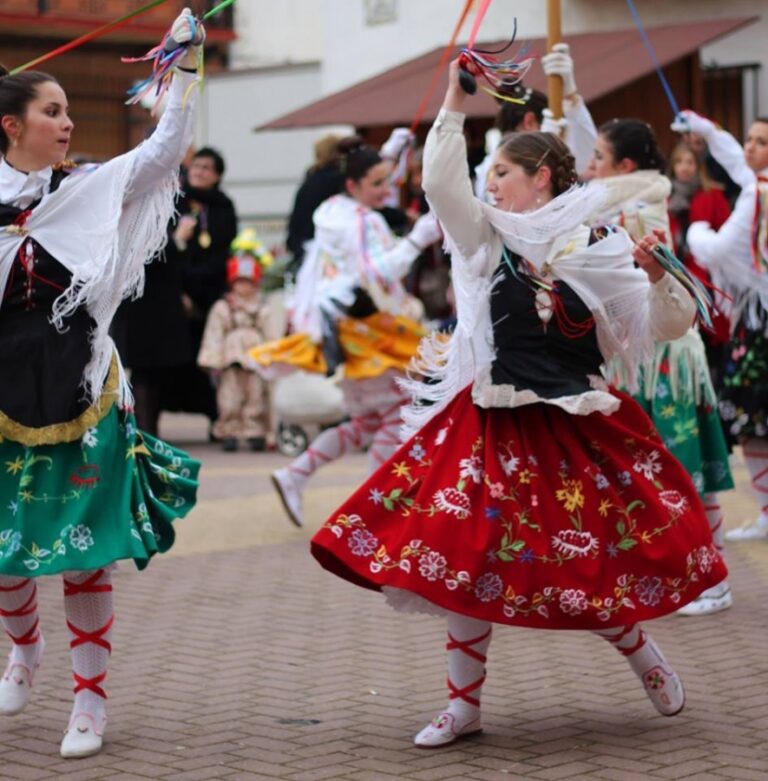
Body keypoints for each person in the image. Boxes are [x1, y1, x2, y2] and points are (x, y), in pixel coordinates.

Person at [309, 60, 726, 748]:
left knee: (583, 562)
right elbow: (442, 182)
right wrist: (451, 98)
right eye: (490, 170)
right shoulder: (487, 239)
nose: (490, 180)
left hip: (575, 423)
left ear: (543, 177)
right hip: (493, 421)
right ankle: (462, 705)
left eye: (502, 170)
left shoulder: (600, 244)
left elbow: (658, 327)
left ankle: (642, 654)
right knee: (469, 558)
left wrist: (659, 279)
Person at [0, 9, 202, 758]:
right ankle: (24, 649)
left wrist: (180, 71)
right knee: (5, 546)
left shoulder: (84, 189)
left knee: (84, 553)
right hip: (2, 397)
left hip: (80, 389)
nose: (66, 120)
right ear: (9, 124)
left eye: (66, 109)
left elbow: (162, 151)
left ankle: (89, 704)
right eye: (50, 110)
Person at [250, 134, 441, 527]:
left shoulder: (334, 209)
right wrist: (419, 238)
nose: (385, 190)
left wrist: (388, 151)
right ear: (354, 185)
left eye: (387, 181)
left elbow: (365, 176)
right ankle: (374, 511)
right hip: (369, 332)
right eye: (378, 184)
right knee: (395, 415)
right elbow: (376, 272)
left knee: (366, 423)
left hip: (350, 329)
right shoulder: (360, 219)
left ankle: (297, 474)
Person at [587, 118, 734, 616]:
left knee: (682, 470)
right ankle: (660, 573)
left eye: (597, 159)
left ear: (624, 167)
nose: (588, 169)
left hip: (665, 358)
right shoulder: (623, 197)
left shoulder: (633, 204)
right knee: (645, 475)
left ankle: (712, 578)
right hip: (641, 357)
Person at [675, 111, 768, 542]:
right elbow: (734, 160)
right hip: (757, 317)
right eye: (750, 139)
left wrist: (695, 232)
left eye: (761, 143)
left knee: (751, 421)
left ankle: (767, 510)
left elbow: (721, 250)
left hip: (759, 324)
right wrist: (707, 130)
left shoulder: (758, 194)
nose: (750, 148)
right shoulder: (755, 185)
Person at [474, 42, 597, 200]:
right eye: (500, 173)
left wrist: (571, 96)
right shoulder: (491, 168)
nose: (494, 184)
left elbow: (586, 161)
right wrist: (546, 150)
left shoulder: (490, 164)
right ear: (530, 121)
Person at [198, 229, 274, 452]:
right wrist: (212, 359)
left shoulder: (262, 308)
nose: (244, 287)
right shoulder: (224, 307)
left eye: (249, 282)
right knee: (229, 396)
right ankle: (229, 429)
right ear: (232, 282)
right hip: (230, 358)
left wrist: (272, 356)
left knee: (256, 396)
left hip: (255, 358)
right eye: (240, 282)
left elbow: (270, 334)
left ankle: (255, 431)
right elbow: (214, 333)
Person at [667, 141, 732, 385]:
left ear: (698, 166)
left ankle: (713, 383)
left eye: (690, 162)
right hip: (677, 278)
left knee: (711, 339)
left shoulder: (712, 195)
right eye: (680, 162)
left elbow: (725, 234)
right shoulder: (666, 197)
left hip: (707, 279)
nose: (684, 167)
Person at [285, 133, 344, 276]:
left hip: (304, 249)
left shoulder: (309, 180)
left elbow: (295, 222)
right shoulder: (338, 180)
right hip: (327, 254)